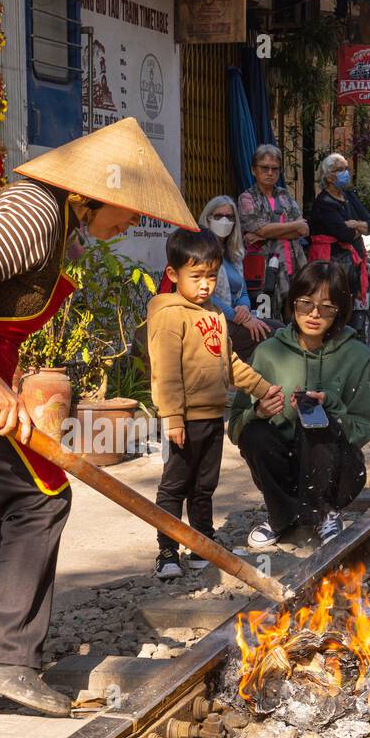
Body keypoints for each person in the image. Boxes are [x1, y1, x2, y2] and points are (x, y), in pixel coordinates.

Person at [0, 117, 194, 717]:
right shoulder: (33, 214)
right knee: (39, 501)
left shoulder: (50, 218)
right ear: (91, 194)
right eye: (129, 210)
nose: (131, 223)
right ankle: (6, 657)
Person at [148, 228, 280, 580]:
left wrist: (263, 388)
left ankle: (201, 543)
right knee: (175, 485)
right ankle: (167, 550)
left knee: (205, 485)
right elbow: (165, 371)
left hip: (211, 415)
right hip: (183, 420)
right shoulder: (169, 315)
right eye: (196, 277)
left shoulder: (215, 315)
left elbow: (230, 363)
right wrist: (172, 417)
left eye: (211, 276)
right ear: (173, 274)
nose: (205, 285)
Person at [229, 260, 370, 549]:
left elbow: (365, 426)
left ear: (340, 310)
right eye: (306, 303)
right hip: (285, 468)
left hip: (337, 471)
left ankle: (325, 512)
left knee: (317, 422)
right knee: (255, 433)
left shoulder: (357, 355)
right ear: (293, 301)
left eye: (327, 307)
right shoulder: (268, 352)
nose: (314, 314)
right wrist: (257, 412)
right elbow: (235, 427)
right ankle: (281, 516)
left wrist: (331, 407)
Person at [198, 194, 273, 362]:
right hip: (214, 317)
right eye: (218, 216)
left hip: (237, 316)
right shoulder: (201, 250)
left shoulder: (234, 253)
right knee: (270, 335)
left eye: (229, 217)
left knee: (280, 328)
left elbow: (243, 292)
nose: (224, 221)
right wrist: (237, 317)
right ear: (208, 218)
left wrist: (245, 308)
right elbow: (205, 296)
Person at [238, 144, 307, 316]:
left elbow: (303, 230)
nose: (270, 173)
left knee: (295, 318)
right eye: (265, 168)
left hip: (293, 267)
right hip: (264, 272)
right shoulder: (247, 198)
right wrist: (293, 226)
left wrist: (266, 233)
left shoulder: (284, 195)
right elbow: (261, 229)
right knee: (267, 320)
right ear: (253, 170)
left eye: (275, 169)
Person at [307, 152, 370, 301]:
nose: (346, 173)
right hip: (332, 266)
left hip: (353, 265)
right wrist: (361, 229)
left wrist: (356, 224)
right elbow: (345, 235)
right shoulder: (324, 202)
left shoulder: (349, 196)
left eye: (346, 169)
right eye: (340, 170)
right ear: (329, 177)